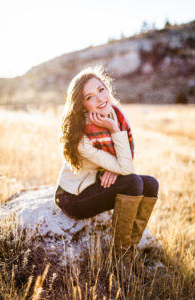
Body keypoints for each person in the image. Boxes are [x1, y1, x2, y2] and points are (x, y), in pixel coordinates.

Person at [55, 65, 159, 270]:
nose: (100, 99)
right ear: (83, 106)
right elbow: (127, 167)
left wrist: (114, 166)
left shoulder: (116, 115)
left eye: (101, 90)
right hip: (74, 197)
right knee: (132, 182)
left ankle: (128, 251)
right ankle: (121, 261)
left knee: (151, 184)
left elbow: (124, 162)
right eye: (89, 97)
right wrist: (113, 131)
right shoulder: (83, 136)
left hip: (97, 183)